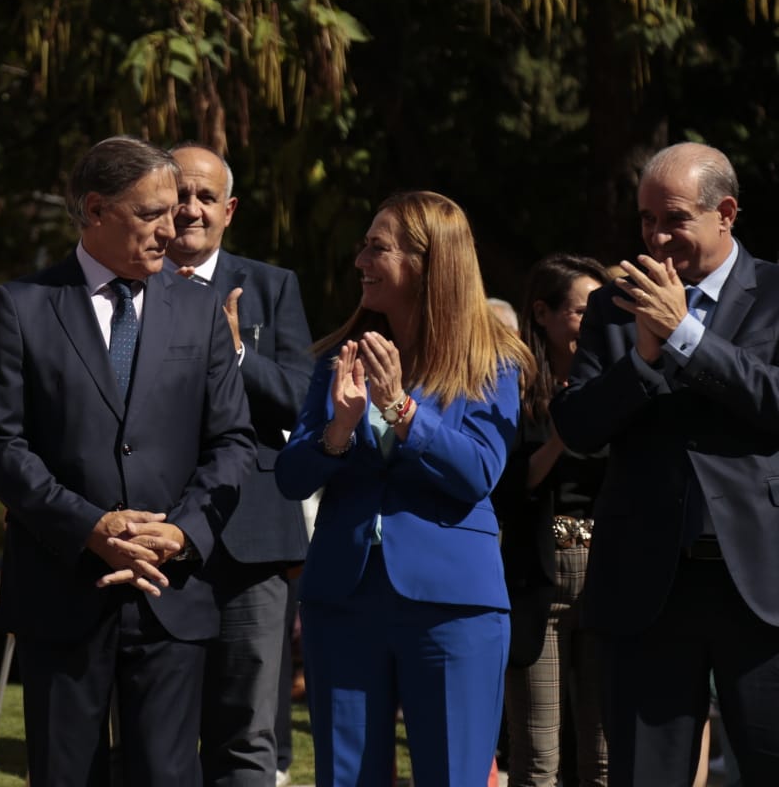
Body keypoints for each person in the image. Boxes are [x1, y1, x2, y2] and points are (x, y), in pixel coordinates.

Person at [0, 136, 255, 787]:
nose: (175, 222)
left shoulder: (201, 311)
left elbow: (233, 442)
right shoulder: (25, 306)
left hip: (169, 593)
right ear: (96, 209)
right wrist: (90, 528)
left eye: (178, 206)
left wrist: (182, 533)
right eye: (153, 211)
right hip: (63, 590)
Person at [276, 190, 532, 787]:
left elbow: (477, 473)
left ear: (427, 262)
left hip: (452, 608)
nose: (360, 260)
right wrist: (337, 431)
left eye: (377, 247)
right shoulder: (341, 359)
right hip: (343, 597)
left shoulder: (494, 363)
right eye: (364, 246)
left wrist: (401, 410)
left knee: (453, 776)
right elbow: (291, 476)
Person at [551, 141, 779, 786]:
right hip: (648, 588)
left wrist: (687, 337)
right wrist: (643, 362)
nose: (656, 236)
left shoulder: (775, 293)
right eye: (646, 219)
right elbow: (579, 428)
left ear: (725, 212)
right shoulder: (611, 306)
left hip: (760, 585)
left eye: (672, 218)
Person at [165, 143, 312, 787]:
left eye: (205, 198)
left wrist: (238, 358)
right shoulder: (129, 284)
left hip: (252, 537)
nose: (190, 209)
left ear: (230, 211)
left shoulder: (272, 287)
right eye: (178, 196)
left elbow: (305, 399)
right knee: (155, 722)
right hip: (157, 529)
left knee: (248, 731)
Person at [493, 254, 611, 787]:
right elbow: (511, 485)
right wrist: (565, 429)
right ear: (542, 313)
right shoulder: (512, 388)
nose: (595, 323)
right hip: (537, 571)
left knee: (604, 754)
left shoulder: (614, 386)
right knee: (538, 755)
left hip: (608, 574)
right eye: (584, 311)